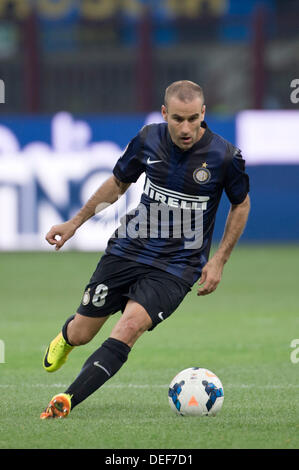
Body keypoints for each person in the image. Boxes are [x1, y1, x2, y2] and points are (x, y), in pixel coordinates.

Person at [40, 80, 250, 419]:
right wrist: (73, 223)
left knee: (129, 326)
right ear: (165, 113)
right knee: (83, 332)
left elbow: (241, 205)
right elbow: (118, 183)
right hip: (128, 249)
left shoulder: (225, 156)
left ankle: (67, 399)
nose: (186, 128)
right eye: (178, 119)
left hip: (178, 266)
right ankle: (66, 337)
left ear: (204, 114)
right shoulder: (147, 138)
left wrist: (220, 259)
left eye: (193, 119)